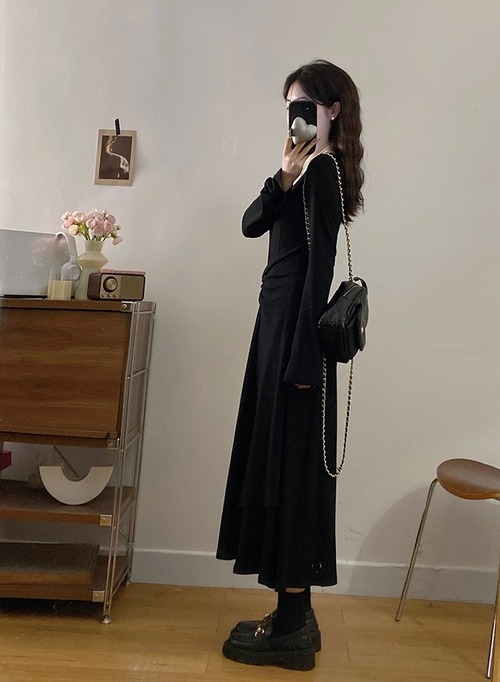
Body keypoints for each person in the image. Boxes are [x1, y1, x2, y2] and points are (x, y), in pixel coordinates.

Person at [216, 59, 364, 671]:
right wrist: (283, 173)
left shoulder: (325, 172)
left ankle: (294, 620)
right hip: (276, 334)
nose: (296, 117)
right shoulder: (304, 170)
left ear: (332, 110)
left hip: (294, 343)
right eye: (289, 108)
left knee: (293, 471)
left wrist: (302, 358)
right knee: (280, 465)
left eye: (305, 106)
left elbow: (318, 269)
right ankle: (292, 615)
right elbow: (251, 224)